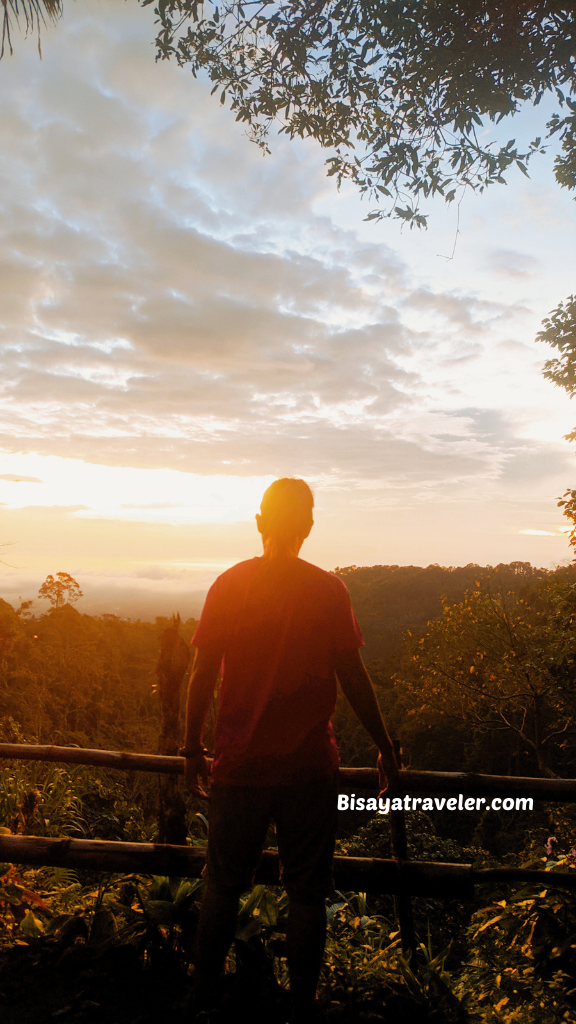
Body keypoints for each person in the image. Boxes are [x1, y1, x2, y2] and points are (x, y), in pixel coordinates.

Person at [182, 477, 399, 1022]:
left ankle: (206, 998)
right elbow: (353, 676)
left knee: (223, 885)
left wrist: (190, 746)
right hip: (308, 768)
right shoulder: (328, 591)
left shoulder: (230, 585)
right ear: (307, 525)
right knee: (306, 893)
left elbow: (202, 672)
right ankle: (301, 1007)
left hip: (239, 763)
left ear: (260, 522)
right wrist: (385, 746)